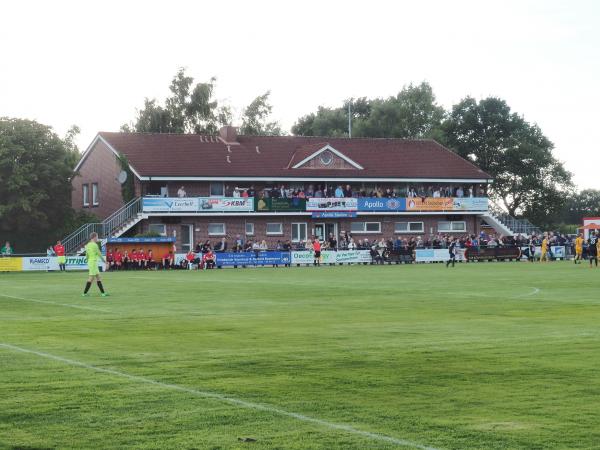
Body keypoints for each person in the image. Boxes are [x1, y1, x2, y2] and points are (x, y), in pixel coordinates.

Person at [82, 232, 108, 297]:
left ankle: (103, 293)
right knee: (91, 278)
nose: (97, 238)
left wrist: (88, 261)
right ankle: (84, 293)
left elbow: (87, 255)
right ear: (94, 237)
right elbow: (99, 254)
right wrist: (105, 262)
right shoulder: (94, 245)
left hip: (91, 262)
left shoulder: (88, 245)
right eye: (97, 237)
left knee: (98, 277)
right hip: (93, 262)